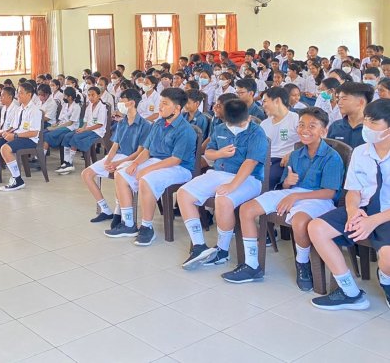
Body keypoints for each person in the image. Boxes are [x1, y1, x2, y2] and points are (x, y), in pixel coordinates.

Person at [222, 107, 343, 288]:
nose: (305, 130)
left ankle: (302, 263)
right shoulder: (295, 155)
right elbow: (285, 185)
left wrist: (295, 194)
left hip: (319, 199)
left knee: (300, 221)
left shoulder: (332, 157)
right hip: (293, 194)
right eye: (301, 125)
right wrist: (288, 183)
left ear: (324, 131)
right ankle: (252, 264)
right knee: (247, 209)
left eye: (312, 126)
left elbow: (330, 193)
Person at [308, 99, 390, 310]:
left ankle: (386, 280)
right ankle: (350, 292)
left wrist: (374, 221)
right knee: (316, 228)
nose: (367, 127)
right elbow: (353, 190)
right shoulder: (361, 152)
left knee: (387, 259)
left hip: (386, 214)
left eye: (374, 123)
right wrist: (353, 212)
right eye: (367, 121)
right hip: (363, 209)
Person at [176, 99, 269, 269]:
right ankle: (199, 246)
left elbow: (250, 163)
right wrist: (219, 153)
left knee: (223, 198)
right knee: (183, 194)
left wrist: (232, 186)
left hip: (249, 178)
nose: (235, 127)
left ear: (247, 118)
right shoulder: (220, 128)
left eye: (240, 124)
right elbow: (208, 153)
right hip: (219, 173)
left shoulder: (257, 132)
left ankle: (222, 249)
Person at [110, 88, 198, 243]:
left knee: (146, 179)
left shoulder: (185, 130)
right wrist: (136, 163)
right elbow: (147, 149)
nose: (160, 107)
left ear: (177, 108)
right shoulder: (158, 124)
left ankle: (146, 227)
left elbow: (175, 160)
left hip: (180, 168)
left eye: (165, 104)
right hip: (157, 162)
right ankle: (129, 223)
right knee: (121, 174)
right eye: (160, 103)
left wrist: (147, 169)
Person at [82, 89, 151, 227]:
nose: (119, 104)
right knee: (87, 174)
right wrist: (108, 160)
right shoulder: (122, 123)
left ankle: (118, 211)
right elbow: (115, 146)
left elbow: (139, 152)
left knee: (118, 174)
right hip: (118, 156)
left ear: (131, 103)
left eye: (122, 101)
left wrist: (117, 163)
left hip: (131, 159)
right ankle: (105, 210)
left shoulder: (145, 125)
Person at [0, 83, 42, 192]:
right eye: (18, 92)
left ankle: (17, 179)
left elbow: (34, 133)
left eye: (21, 93)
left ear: (29, 95)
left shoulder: (35, 110)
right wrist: (7, 133)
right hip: (18, 136)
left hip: (29, 140)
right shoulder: (20, 109)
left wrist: (14, 135)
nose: (18, 95)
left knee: (5, 149)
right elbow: (15, 126)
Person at [56, 86, 108, 174]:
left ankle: (70, 163)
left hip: (97, 131)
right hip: (87, 129)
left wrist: (85, 130)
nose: (91, 97)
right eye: (89, 95)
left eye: (93, 95)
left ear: (99, 96)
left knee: (76, 137)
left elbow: (99, 124)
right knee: (67, 136)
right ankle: (66, 162)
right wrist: (82, 128)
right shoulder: (89, 106)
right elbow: (86, 121)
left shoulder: (102, 107)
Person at [259, 87, 300, 190]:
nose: (263, 105)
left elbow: (306, 143)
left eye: (265, 101)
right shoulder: (264, 124)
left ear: (277, 100)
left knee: (268, 177)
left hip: (284, 161)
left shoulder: (296, 119)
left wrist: (292, 153)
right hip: (266, 160)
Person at [328, 82, 373, 149]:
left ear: (361, 102)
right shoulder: (335, 126)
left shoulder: (373, 128)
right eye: (339, 98)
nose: (339, 103)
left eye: (344, 99)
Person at [43, 87, 81, 163]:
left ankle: (41, 158)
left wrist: (56, 128)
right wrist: (55, 124)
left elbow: (70, 123)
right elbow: (61, 119)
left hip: (70, 127)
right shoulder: (65, 105)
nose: (63, 97)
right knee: (43, 132)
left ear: (70, 97)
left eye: (65, 96)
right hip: (62, 125)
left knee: (49, 135)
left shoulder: (76, 107)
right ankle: (40, 157)